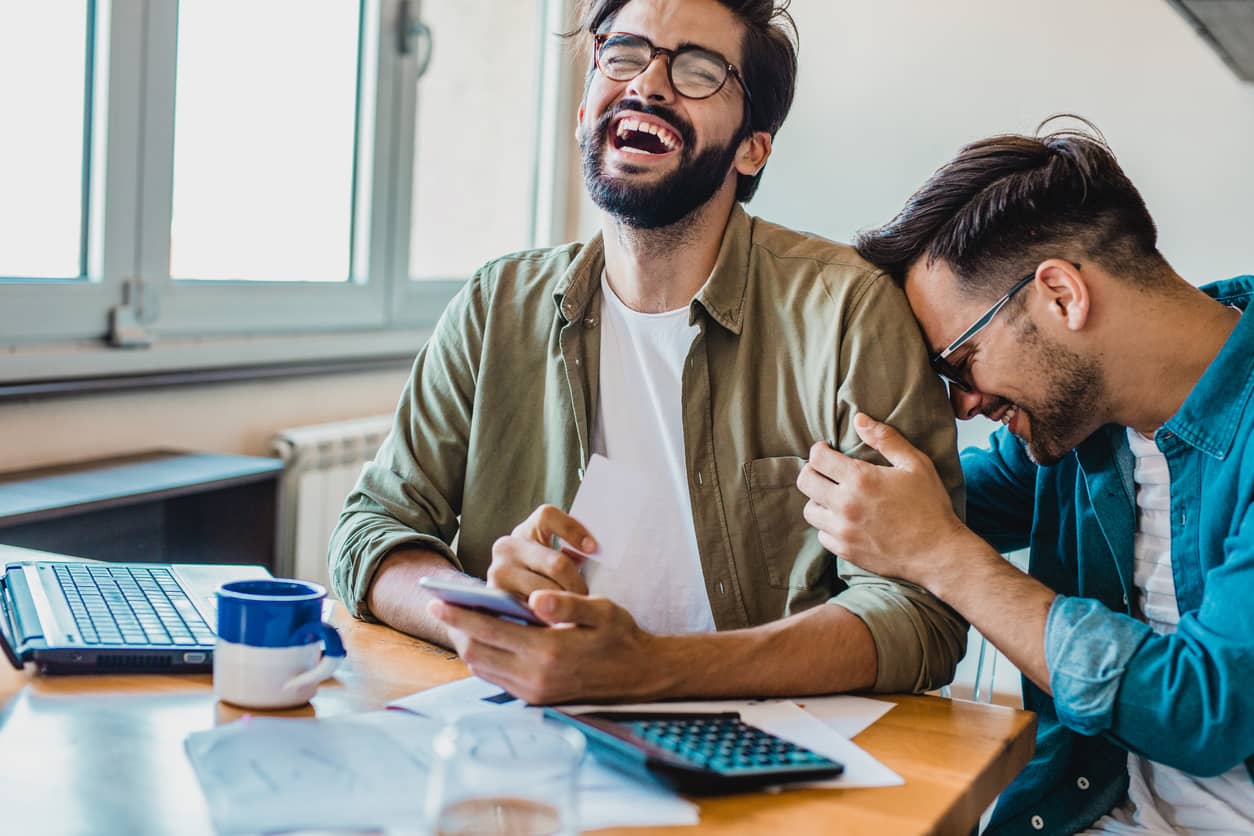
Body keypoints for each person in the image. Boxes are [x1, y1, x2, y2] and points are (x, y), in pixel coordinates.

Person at [328, 0, 967, 705]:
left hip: (768, 759)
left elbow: (921, 614)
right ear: (583, 112)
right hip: (521, 744)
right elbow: (372, 530)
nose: (648, 83)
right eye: (624, 54)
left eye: (698, 70)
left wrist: (650, 667)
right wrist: (479, 614)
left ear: (753, 146)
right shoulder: (494, 304)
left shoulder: (849, 312)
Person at [797, 124, 1254, 834]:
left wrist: (943, 560)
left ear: (1062, 295)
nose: (963, 404)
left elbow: (1203, 710)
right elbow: (909, 505)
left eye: (962, 361)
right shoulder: (1079, 432)